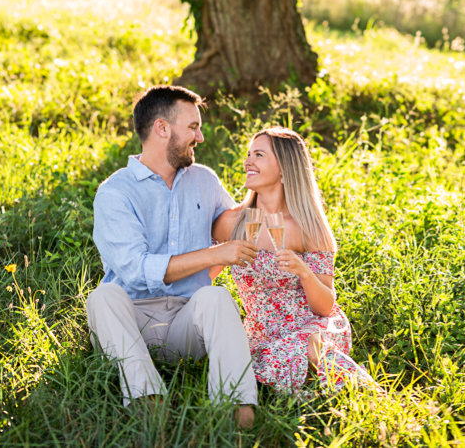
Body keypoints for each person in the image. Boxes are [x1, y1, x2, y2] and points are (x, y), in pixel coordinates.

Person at [86, 85, 259, 427]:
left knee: (216, 297)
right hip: (129, 324)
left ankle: (237, 410)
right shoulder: (115, 193)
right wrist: (213, 256)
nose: (200, 137)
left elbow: (234, 228)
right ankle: (149, 403)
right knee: (103, 296)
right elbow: (136, 271)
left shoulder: (204, 180)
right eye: (193, 127)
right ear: (162, 128)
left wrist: (267, 188)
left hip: (185, 323)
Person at [211, 127, 380, 396]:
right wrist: (222, 255)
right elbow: (202, 278)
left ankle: (374, 400)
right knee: (268, 365)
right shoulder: (231, 222)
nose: (247, 162)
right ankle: (312, 394)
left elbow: (325, 306)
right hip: (260, 331)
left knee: (310, 345)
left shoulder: (308, 226)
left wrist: (304, 273)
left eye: (259, 154)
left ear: (283, 169)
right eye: (248, 154)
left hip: (311, 325)